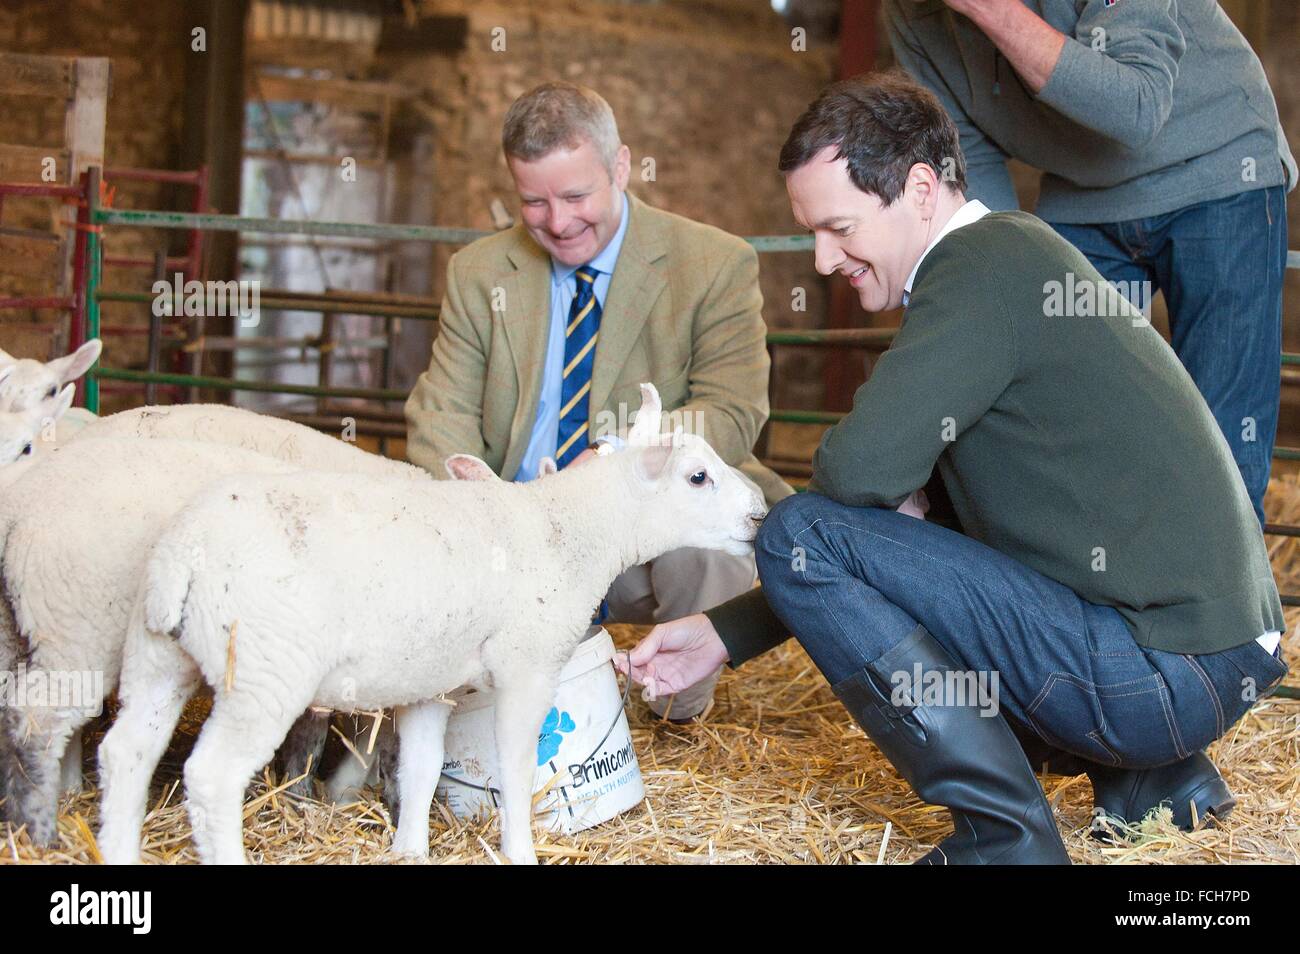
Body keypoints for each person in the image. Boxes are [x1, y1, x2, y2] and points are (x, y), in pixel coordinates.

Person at [619, 72, 1289, 864]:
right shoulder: (1006, 262)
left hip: (1160, 676)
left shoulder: (981, 269)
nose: (824, 259)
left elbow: (852, 476)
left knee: (802, 525)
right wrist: (730, 632)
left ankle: (1008, 842)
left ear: (921, 189)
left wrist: (885, 491)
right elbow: (903, 536)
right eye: (810, 232)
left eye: (839, 227)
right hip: (1201, 664)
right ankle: (1155, 785)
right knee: (833, 531)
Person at [404, 81, 791, 722]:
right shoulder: (479, 272)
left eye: (577, 195)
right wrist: (492, 514)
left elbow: (731, 410)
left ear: (620, 167)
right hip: (513, 527)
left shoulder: (716, 264)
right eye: (533, 201)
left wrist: (613, 455)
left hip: (633, 534)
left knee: (705, 542)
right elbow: (439, 411)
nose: (558, 222)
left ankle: (671, 712)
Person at [884, 0, 1295, 526]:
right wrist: (991, 279)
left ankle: (1228, 601)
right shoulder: (907, 12)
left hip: (1218, 168)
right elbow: (965, 155)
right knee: (1064, 414)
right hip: (1081, 190)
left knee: (1222, 437)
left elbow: (1136, 106)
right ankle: (1090, 596)